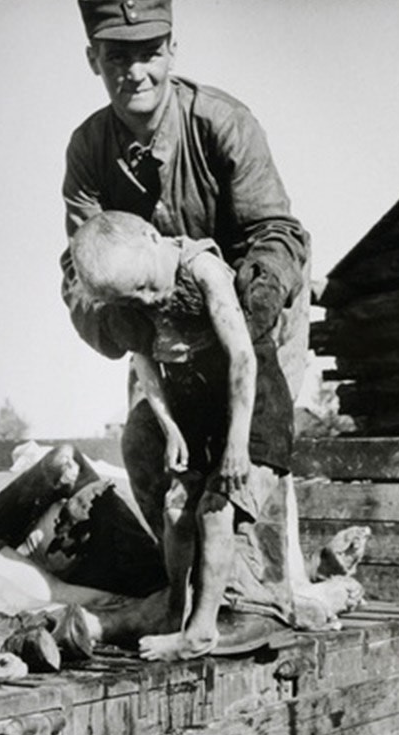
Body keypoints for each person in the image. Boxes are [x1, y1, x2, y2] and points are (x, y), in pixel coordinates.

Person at [61, 0, 311, 582]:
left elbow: (278, 231)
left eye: (148, 52)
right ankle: (192, 592)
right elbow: (78, 273)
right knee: (148, 454)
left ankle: (270, 595)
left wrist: (261, 293)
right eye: (116, 56)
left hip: (253, 315)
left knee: (250, 457)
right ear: (92, 59)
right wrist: (115, 324)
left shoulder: (223, 123)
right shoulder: (88, 151)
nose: (134, 72)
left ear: (172, 49)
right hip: (160, 326)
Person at [70, 210, 295, 659]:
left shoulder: (201, 270)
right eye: (134, 296)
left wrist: (236, 444)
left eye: (148, 286)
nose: (148, 299)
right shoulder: (135, 301)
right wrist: (170, 427)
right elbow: (144, 362)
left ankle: (202, 630)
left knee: (215, 511)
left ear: (155, 239)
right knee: (177, 510)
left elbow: (243, 360)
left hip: (252, 408)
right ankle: (178, 608)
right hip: (196, 413)